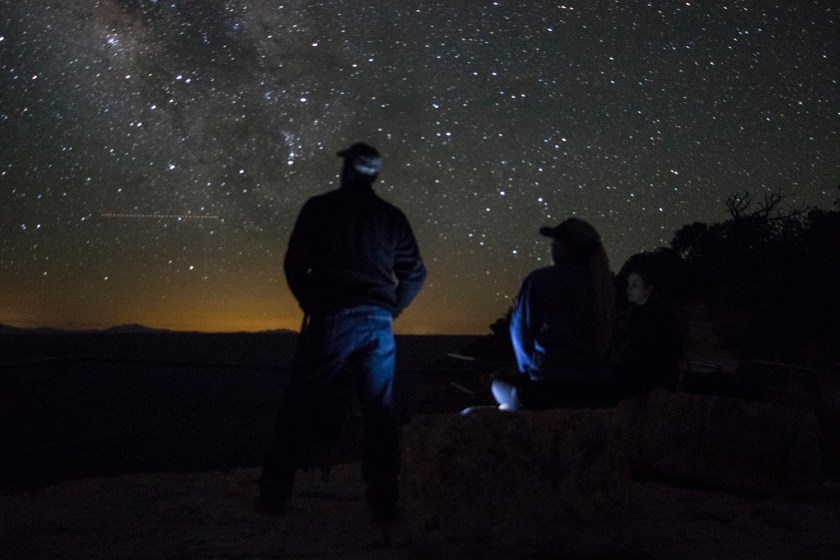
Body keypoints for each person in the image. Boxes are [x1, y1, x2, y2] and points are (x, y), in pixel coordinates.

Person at [257, 142, 426, 522]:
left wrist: (312, 302)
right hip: (377, 326)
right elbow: (415, 274)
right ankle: (384, 498)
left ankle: (274, 494)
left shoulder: (320, 208)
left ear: (347, 169)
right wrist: (391, 309)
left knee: (299, 405)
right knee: (378, 411)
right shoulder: (392, 217)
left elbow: (295, 264)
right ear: (375, 174)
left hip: (332, 319)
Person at [492, 218, 617, 410]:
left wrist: (529, 372)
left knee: (499, 383)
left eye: (557, 241)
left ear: (569, 247)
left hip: (549, 389)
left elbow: (521, 334)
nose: (552, 246)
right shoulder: (602, 286)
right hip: (596, 389)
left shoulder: (539, 280)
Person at [616, 252, 683, 397]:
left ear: (648, 289)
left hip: (652, 388)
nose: (628, 289)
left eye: (635, 285)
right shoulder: (635, 312)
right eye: (628, 284)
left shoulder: (659, 317)